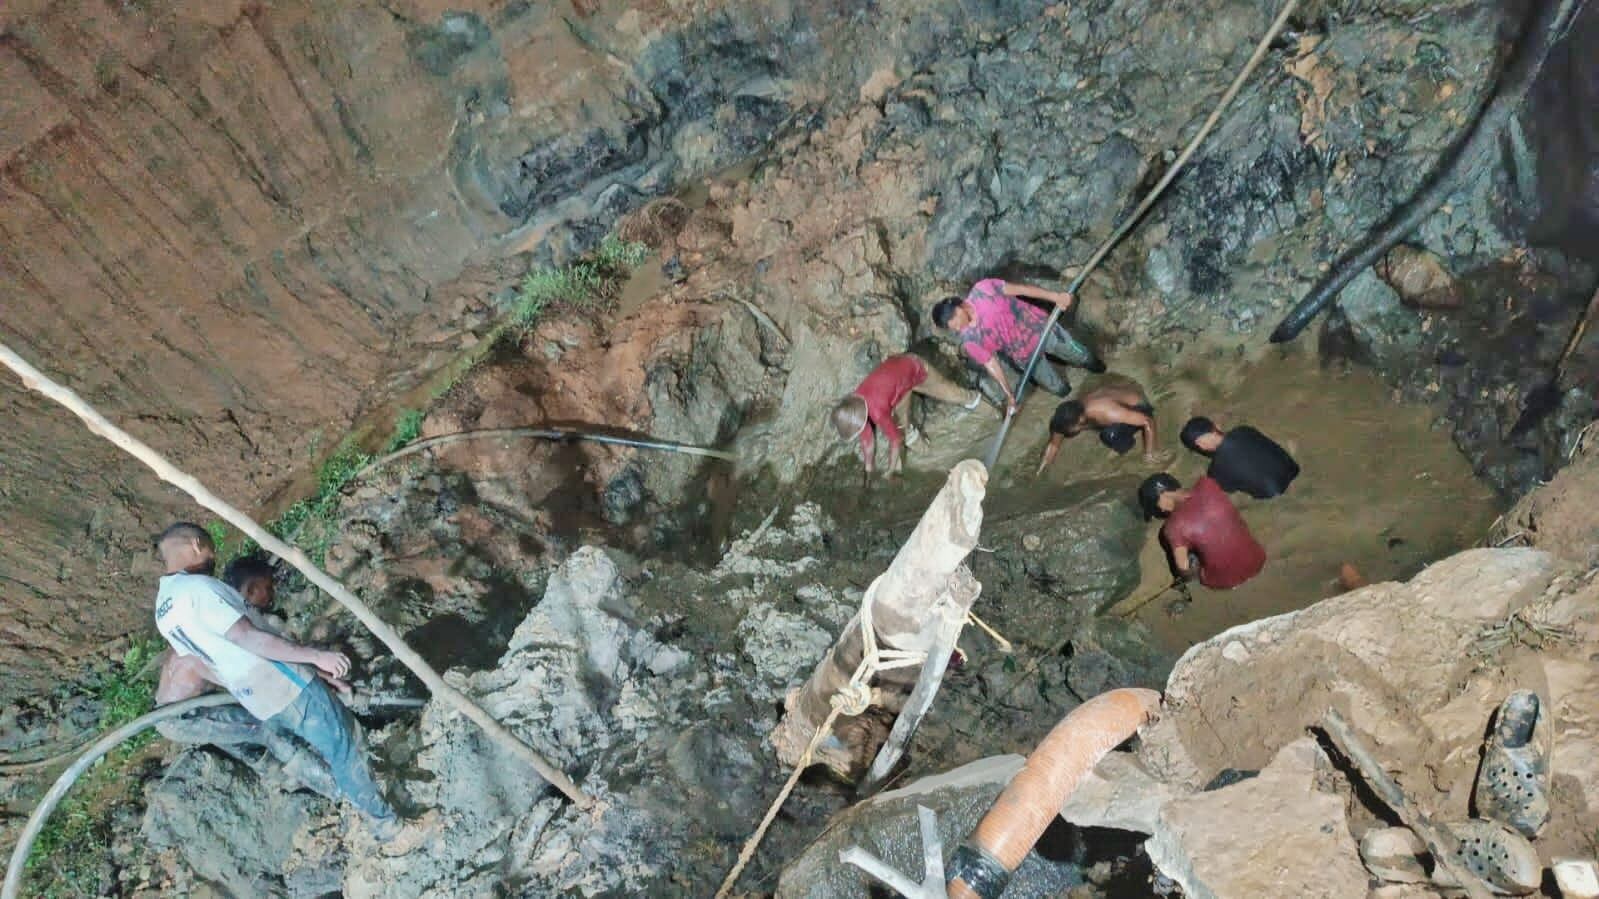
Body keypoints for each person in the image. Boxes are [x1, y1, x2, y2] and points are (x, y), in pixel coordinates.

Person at [150, 522, 397, 833]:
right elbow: (248, 638)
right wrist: (315, 657)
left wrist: (312, 671)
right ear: (197, 546)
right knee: (345, 746)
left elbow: (209, 660)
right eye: (211, 548)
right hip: (280, 682)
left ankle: (353, 801)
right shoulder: (199, 589)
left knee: (308, 740)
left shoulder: (164, 609)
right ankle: (384, 823)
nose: (214, 557)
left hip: (257, 694)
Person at [931, 278, 1104, 414]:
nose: (956, 329)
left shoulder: (983, 290)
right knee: (1056, 387)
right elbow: (991, 363)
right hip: (1024, 355)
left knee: (1079, 354)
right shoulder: (969, 340)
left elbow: (1022, 289)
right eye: (951, 328)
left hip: (1041, 327)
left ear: (958, 309)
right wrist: (1009, 395)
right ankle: (1078, 403)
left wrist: (1056, 297)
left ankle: (1100, 370)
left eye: (953, 323)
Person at [831, 352, 982, 479]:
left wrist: (890, 470)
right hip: (899, 386)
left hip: (915, 368)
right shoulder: (857, 404)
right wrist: (868, 468)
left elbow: (895, 439)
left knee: (952, 393)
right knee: (901, 425)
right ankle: (925, 450)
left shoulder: (877, 411)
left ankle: (979, 402)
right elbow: (866, 440)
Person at [1137, 474, 1266, 589]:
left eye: (1156, 505)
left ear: (1163, 496)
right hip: (1257, 559)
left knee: (1190, 559)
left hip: (1227, 580)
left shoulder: (1173, 528)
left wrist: (1186, 575)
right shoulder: (1207, 484)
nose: (1161, 511)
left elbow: (1184, 569)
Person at [1038, 383, 1160, 473]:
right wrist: (1043, 467)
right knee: (1099, 428)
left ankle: (1127, 446)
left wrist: (1149, 454)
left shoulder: (1106, 413)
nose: (1065, 433)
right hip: (1116, 400)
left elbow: (1147, 421)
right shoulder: (1072, 411)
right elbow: (1055, 441)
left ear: (1080, 420)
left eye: (1069, 430)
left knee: (1109, 435)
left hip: (1139, 407)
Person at [1179, 416, 1300, 499]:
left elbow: (1229, 490)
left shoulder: (1216, 471)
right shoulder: (1243, 430)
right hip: (1294, 470)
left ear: (1200, 445)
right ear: (1214, 427)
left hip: (1276, 496)